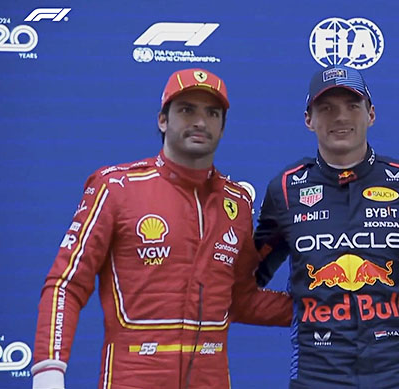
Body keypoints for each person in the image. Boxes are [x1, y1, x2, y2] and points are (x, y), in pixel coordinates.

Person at [31, 68, 292, 389]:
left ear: (223, 127)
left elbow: (240, 299)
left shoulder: (236, 202)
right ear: (162, 120)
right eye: (187, 110)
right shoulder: (116, 187)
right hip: (132, 378)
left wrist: (323, 308)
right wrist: (49, 369)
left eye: (212, 113)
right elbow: (66, 283)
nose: (200, 121)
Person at [254, 66, 399, 389]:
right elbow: (249, 276)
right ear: (308, 119)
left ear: (371, 114)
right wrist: (297, 308)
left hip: (398, 376)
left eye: (352, 106)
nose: (340, 117)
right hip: (316, 377)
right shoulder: (285, 189)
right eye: (327, 108)